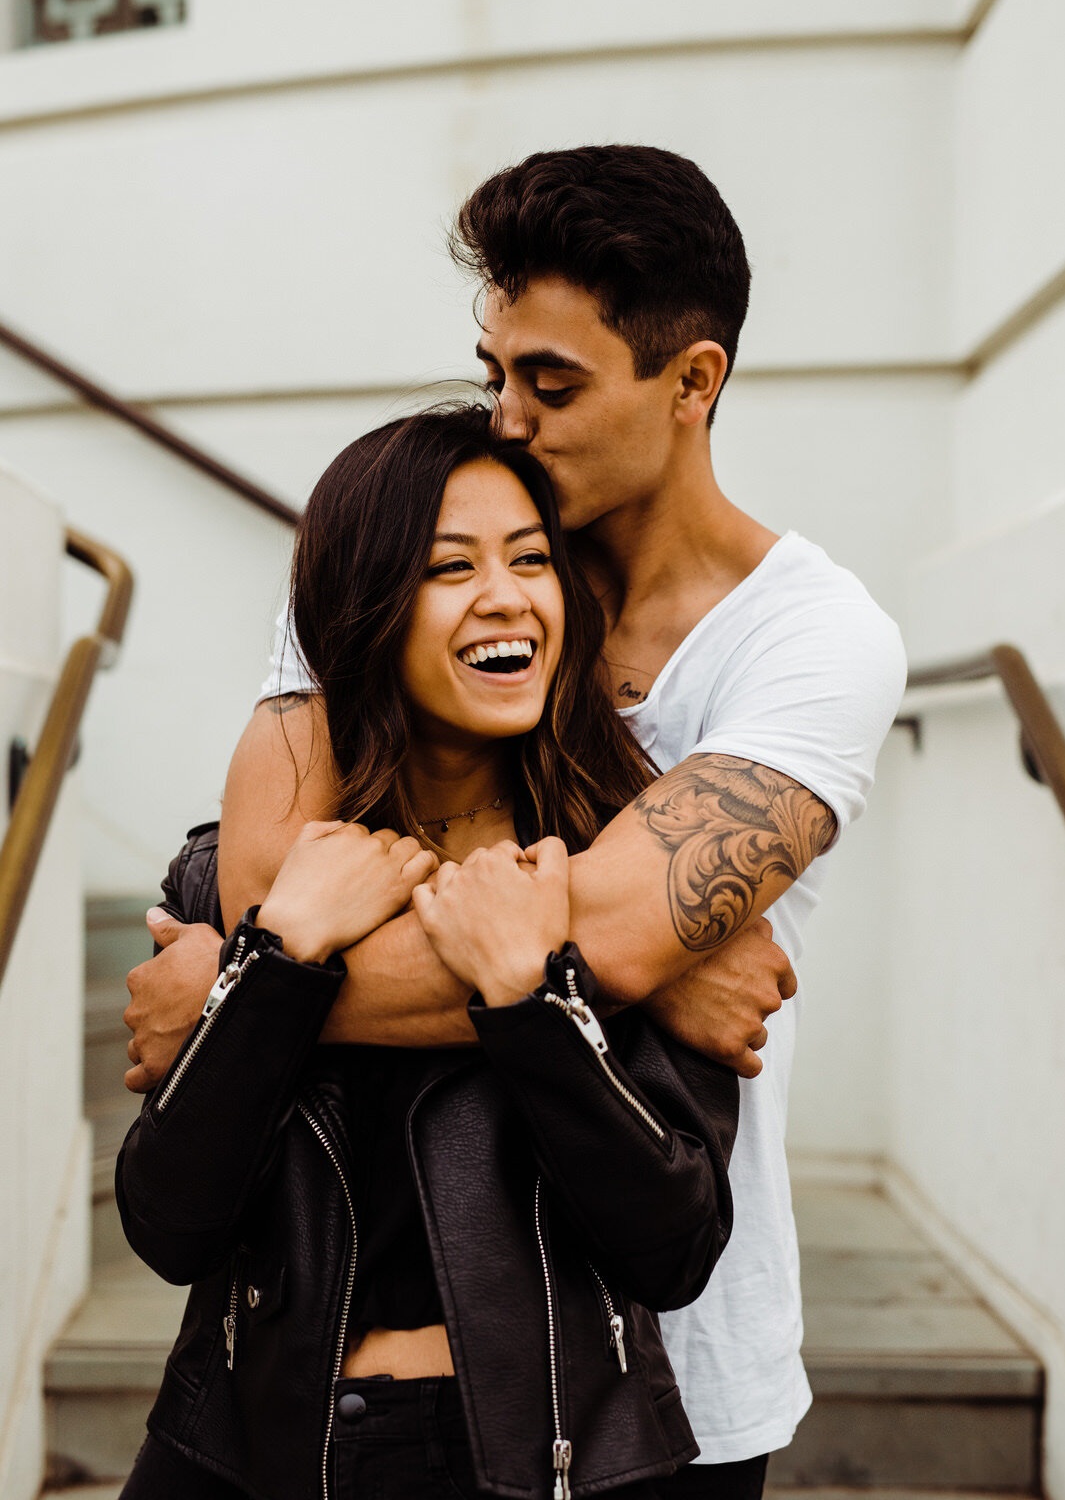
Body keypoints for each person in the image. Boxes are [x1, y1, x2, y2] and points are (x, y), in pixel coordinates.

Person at [124, 145, 907, 1494]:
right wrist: (639, 967)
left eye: (552, 384)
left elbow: (580, 932)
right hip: (331, 1355)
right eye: (495, 373)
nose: (508, 418)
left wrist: (236, 998)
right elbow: (277, 885)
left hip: (666, 1361)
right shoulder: (413, 540)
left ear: (692, 384)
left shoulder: (813, 637)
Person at [116, 407, 740, 1500]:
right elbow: (169, 1221)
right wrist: (279, 957)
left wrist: (531, 995)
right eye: (450, 567)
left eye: (533, 560)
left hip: (538, 1461)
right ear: (364, 607)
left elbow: (673, 1248)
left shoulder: (622, 874)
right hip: (251, 1453)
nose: (507, 595)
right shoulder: (246, 880)